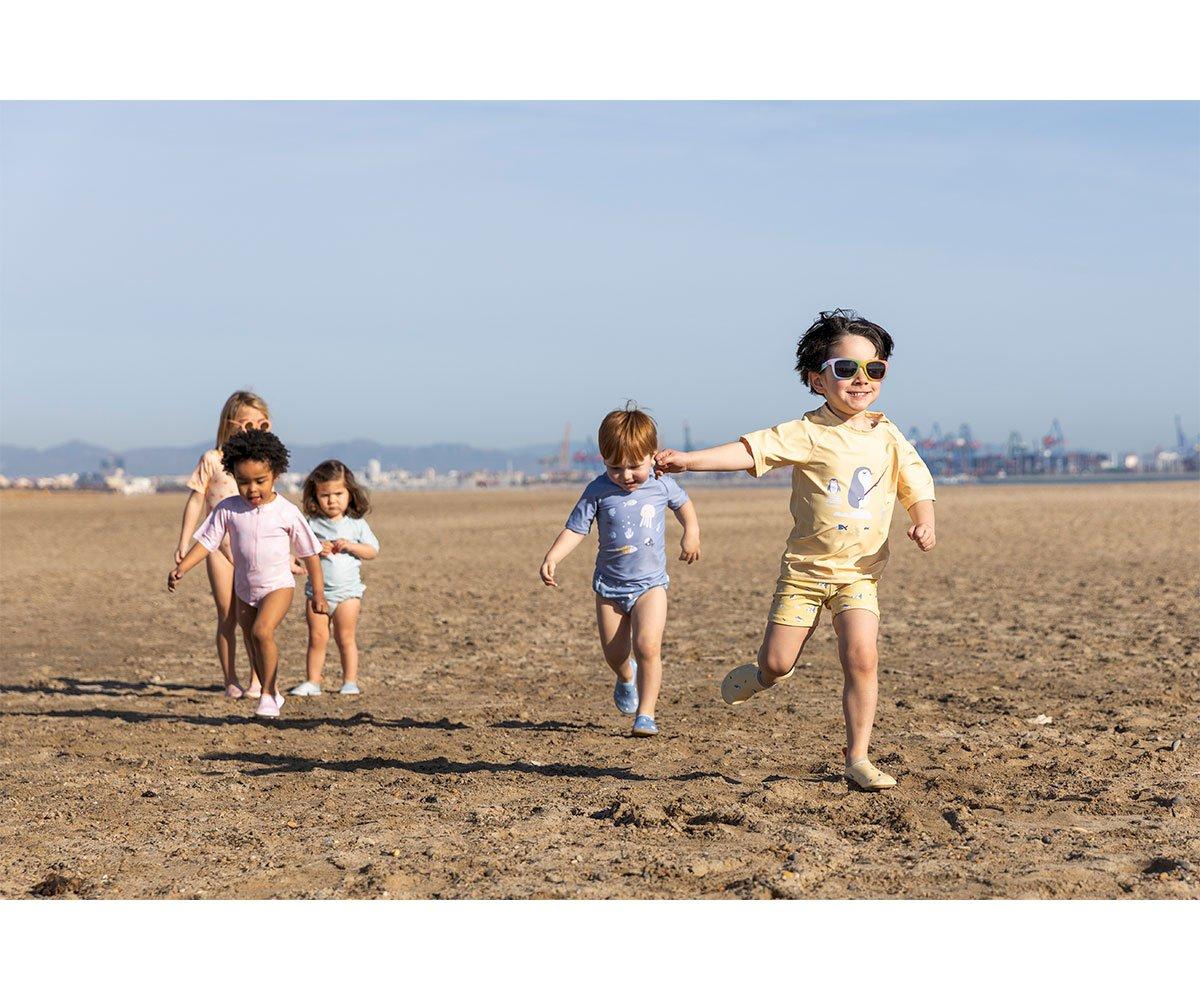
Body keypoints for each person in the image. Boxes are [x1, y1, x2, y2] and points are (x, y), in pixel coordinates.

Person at [654, 309, 936, 789]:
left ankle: (858, 758)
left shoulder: (888, 434)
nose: (861, 380)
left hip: (859, 572)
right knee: (780, 661)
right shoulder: (807, 432)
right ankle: (763, 675)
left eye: (875, 369)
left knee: (861, 656)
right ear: (817, 379)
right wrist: (688, 460)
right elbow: (750, 451)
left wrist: (924, 522)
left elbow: (917, 483)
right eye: (846, 369)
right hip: (805, 572)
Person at [540, 403, 700, 736]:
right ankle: (625, 676)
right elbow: (576, 529)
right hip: (609, 588)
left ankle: (646, 714)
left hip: (650, 586)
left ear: (652, 455)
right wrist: (553, 557)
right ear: (603, 460)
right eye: (615, 467)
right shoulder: (597, 490)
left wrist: (691, 534)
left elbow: (684, 506)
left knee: (648, 647)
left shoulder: (661, 484)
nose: (625, 475)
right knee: (614, 653)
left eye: (633, 466)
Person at [168, 429, 327, 718]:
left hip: (278, 586)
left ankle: (266, 694)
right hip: (244, 589)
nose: (252, 489)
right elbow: (206, 543)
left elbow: (310, 554)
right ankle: (273, 690)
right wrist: (182, 567)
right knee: (253, 641)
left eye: (260, 481)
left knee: (261, 631)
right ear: (232, 477)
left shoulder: (286, 512)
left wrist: (318, 593)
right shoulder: (228, 509)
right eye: (243, 482)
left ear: (275, 475)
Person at [172, 390, 273, 698]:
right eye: (246, 424)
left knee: (251, 616)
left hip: (250, 546)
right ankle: (231, 678)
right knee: (227, 614)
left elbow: (273, 506)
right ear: (230, 424)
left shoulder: (260, 466)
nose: (253, 431)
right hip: (217, 546)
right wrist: (184, 540)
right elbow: (196, 499)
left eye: (261, 425)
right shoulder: (213, 460)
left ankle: (258, 678)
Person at [289, 460, 380, 697]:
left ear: (350, 493)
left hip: (348, 594)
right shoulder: (311, 524)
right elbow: (300, 551)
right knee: (317, 638)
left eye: (338, 493)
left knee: (345, 637)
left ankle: (349, 681)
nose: (332, 500)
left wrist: (351, 546)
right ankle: (313, 681)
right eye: (325, 495)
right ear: (315, 496)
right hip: (317, 594)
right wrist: (317, 547)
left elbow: (373, 550)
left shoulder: (356, 524)